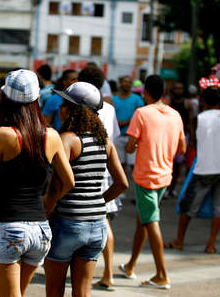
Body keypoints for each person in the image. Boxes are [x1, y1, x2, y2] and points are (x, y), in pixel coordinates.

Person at [0, 69, 74, 297]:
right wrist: (48, 203)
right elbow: (68, 181)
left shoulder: (3, 135)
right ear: (37, 99)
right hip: (40, 231)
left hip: (8, 227)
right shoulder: (51, 135)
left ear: (6, 99)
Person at [44, 82, 128, 297]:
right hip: (98, 225)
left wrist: (44, 215)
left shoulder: (68, 139)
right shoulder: (105, 142)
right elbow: (122, 184)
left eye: (64, 104)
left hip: (67, 223)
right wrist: (98, 201)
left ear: (74, 109)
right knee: (83, 292)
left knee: (54, 290)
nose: (60, 108)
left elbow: (56, 186)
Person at [119, 75, 186, 290]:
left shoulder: (142, 113)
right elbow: (182, 149)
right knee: (144, 219)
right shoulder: (175, 115)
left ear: (146, 92)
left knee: (151, 221)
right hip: (165, 175)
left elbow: (129, 147)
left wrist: (139, 146)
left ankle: (161, 274)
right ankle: (130, 265)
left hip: (146, 176)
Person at [164, 86, 220, 253]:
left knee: (188, 206)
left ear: (203, 100)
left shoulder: (199, 119)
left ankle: (179, 240)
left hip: (204, 168)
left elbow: (195, 143)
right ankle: (211, 244)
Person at [78, 66, 122, 292]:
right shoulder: (110, 109)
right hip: (104, 169)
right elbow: (112, 139)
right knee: (102, 220)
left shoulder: (79, 103)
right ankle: (107, 273)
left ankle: (104, 274)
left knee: (92, 220)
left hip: (82, 167)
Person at [112, 75, 144, 176]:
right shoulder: (113, 98)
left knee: (133, 164)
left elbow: (141, 114)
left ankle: (136, 186)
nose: (127, 84)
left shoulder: (137, 98)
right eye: (125, 81)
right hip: (117, 136)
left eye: (129, 82)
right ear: (120, 83)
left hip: (132, 137)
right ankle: (121, 187)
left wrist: (126, 122)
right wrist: (116, 121)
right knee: (119, 164)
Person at [167, 81, 193, 198]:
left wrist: (192, 138)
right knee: (168, 163)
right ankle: (166, 187)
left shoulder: (187, 104)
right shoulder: (167, 102)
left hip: (182, 137)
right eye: (176, 88)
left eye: (181, 88)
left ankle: (172, 189)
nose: (179, 91)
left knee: (178, 165)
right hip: (168, 137)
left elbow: (191, 122)